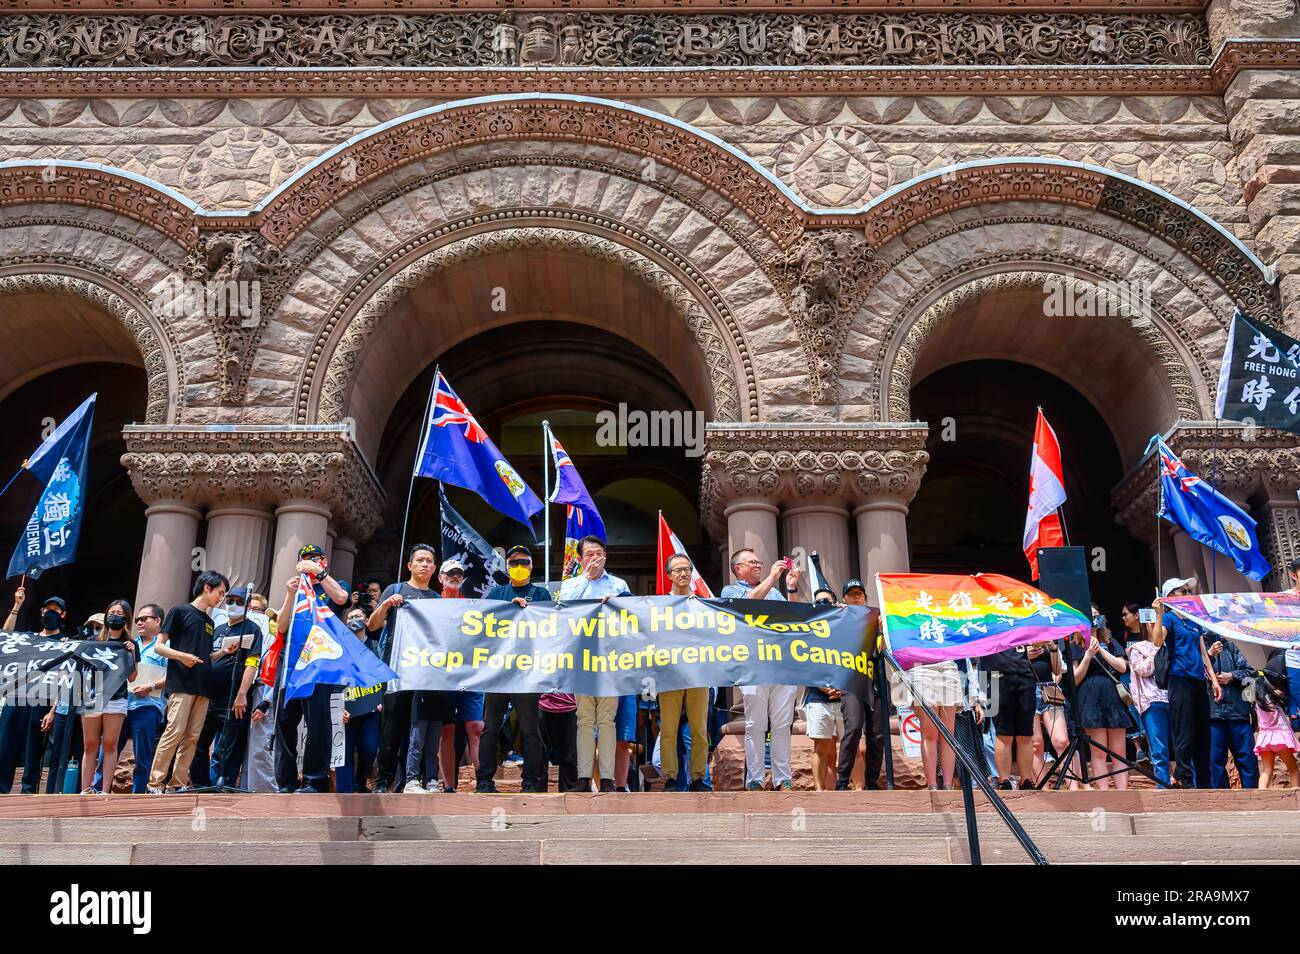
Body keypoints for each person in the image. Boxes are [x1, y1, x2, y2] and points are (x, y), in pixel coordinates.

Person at [720, 547, 801, 791]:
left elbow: (793, 615)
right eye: (752, 562)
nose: (758, 565)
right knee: (755, 724)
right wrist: (772, 577)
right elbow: (747, 604)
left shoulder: (775, 592)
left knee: (782, 724)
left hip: (781, 665)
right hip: (753, 665)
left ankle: (782, 779)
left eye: (759, 561)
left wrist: (792, 588)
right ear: (738, 569)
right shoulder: (731, 590)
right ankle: (754, 779)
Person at [559, 535, 633, 793]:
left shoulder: (618, 584)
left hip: (611, 659)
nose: (594, 558)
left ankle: (608, 779)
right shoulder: (571, 586)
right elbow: (564, 611)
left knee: (607, 721)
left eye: (598, 553)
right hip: (582, 659)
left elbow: (633, 616)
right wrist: (586, 581)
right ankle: (582, 777)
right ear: (580, 559)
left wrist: (618, 602)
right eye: (589, 554)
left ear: (606, 556)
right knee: (584, 720)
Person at [273, 544, 348, 794]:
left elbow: (341, 598)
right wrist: (288, 594)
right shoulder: (297, 591)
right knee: (284, 721)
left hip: (318, 662)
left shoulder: (332, 585)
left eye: (315, 558)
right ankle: (285, 781)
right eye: (305, 559)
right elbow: (281, 627)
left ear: (324, 562)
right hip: (291, 663)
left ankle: (314, 780)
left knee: (317, 721)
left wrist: (321, 575)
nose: (310, 562)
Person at [148, 570, 229, 793]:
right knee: (174, 731)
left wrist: (222, 652)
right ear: (207, 587)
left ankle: (177, 784)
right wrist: (182, 656)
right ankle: (155, 783)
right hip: (182, 683)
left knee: (192, 738)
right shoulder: (180, 611)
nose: (220, 598)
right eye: (220, 592)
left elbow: (204, 657)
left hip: (203, 687)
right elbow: (159, 646)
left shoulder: (210, 622)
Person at [477, 546, 549, 793]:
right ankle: (484, 780)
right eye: (514, 562)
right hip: (499, 670)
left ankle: (530, 781)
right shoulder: (497, 593)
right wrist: (507, 608)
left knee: (530, 729)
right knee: (490, 728)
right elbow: (482, 622)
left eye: (524, 562)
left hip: (528, 673)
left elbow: (550, 626)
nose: (519, 566)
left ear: (531, 566)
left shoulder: (541, 594)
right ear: (507, 567)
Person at [372, 544, 440, 793]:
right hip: (396, 669)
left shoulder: (436, 599)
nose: (424, 564)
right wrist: (387, 605)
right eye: (420, 560)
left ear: (434, 568)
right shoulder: (395, 589)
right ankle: (383, 781)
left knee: (418, 728)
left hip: (424, 673)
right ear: (409, 565)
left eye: (429, 561)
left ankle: (415, 779)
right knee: (391, 726)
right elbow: (372, 625)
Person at [1151, 577, 1221, 788]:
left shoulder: (1193, 619)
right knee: (1185, 732)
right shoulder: (1170, 618)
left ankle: (1205, 783)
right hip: (1179, 680)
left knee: (1203, 733)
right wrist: (1158, 614)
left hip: (1198, 681)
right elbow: (1157, 641)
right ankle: (1187, 780)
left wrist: (1214, 680)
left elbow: (1203, 652)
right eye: (1182, 590)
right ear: (1172, 595)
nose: (1187, 593)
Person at [193, 585, 262, 788]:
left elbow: (252, 663)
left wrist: (242, 694)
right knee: (198, 741)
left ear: (247, 605)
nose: (233, 605)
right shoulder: (218, 628)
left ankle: (226, 784)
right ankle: (201, 784)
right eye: (230, 601)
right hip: (207, 695)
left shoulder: (251, 629)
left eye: (239, 602)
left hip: (232, 697)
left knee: (230, 745)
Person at [657, 553, 711, 792]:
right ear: (668, 575)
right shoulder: (659, 605)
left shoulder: (702, 603)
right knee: (668, 728)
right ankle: (671, 777)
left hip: (698, 673)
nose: (683, 573)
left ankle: (698, 778)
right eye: (678, 570)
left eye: (687, 569)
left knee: (699, 728)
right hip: (669, 674)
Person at [0, 593, 63, 794]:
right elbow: (5, 635)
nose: (50, 612)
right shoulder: (28, 637)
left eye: (55, 610)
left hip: (42, 698)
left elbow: (65, 679)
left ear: (63, 614)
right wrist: (16, 606)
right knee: (4, 744)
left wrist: (53, 710)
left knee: (32, 749)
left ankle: (28, 793)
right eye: (48, 609)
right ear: (41, 612)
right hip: (15, 696)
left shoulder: (65, 643)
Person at [79, 599, 139, 795]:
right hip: (92, 697)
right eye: (112, 612)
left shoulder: (130, 644)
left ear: (127, 618)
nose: (115, 615)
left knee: (110, 744)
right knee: (90, 744)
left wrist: (130, 653)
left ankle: (105, 790)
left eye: (119, 613)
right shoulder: (94, 641)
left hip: (116, 698)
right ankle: (85, 789)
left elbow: (132, 677)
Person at [436, 558, 483, 794]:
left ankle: (483, 781)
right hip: (442, 675)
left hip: (471, 672)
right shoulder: (432, 604)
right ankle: (449, 786)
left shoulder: (473, 605)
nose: (455, 577)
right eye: (450, 573)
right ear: (441, 578)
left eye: (459, 574)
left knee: (475, 726)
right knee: (448, 730)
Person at [1070, 608, 1130, 790]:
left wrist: (1101, 651)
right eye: (1091, 616)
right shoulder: (1075, 645)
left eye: (1097, 615)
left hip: (1112, 697)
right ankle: (1103, 793)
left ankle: (1122, 793)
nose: (1095, 619)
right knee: (1098, 752)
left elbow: (1122, 667)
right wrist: (1088, 655)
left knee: (1119, 751)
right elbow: (1075, 678)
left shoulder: (1110, 642)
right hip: (1089, 698)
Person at [835, 578, 885, 791]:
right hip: (851, 680)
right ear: (844, 597)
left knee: (878, 733)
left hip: (876, 679)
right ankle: (842, 780)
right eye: (851, 593)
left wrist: (882, 629)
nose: (856, 596)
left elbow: (883, 650)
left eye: (860, 593)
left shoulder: (876, 617)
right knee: (853, 727)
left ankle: (872, 782)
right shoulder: (839, 617)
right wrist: (838, 615)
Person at [334, 606, 382, 793]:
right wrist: (337, 707)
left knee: (369, 747)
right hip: (345, 709)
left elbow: (383, 675)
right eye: (351, 617)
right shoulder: (339, 650)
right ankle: (344, 791)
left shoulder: (376, 646)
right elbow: (334, 679)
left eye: (358, 616)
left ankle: (360, 782)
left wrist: (381, 700)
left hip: (370, 708)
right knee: (344, 752)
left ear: (366, 619)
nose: (354, 619)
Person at [1123, 603, 1171, 787]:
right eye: (1151, 623)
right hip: (1152, 701)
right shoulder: (1136, 648)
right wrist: (1157, 651)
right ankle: (1163, 786)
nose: (1154, 627)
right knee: (1159, 747)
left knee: (1180, 744)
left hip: (1171, 697)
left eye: (1157, 623)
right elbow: (1144, 670)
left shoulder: (1168, 644)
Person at [980, 641, 1037, 789]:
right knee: (1003, 732)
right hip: (994, 676)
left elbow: (1037, 640)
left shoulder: (1021, 618)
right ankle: (1003, 780)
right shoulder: (987, 618)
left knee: (1025, 733)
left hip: (1024, 673)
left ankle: (1026, 781)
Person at [123, 604, 168, 793]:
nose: (139, 622)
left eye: (144, 619)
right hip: (122, 706)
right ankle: (101, 791)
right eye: (137, 620)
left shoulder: (166, 647)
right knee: (107, 751)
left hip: (147, 707)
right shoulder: (129, 644)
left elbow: (173, 675)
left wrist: (151, 686)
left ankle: (138, 796)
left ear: (157, 621)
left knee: (142, 757)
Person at [1207, 635, 1258, 789]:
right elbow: (1193, 672)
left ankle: (1252, 799)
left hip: (1239, 713)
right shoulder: (1200, 646)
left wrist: (1232, 676)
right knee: (1215, 762)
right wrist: (1209, 655)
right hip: (1213, 714)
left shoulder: (1233, 645)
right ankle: (1220, 801)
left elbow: (1250, 673)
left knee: (1248, 760)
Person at [1252, 668, 1300, 788]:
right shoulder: (1275, 698)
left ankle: (1261, 795)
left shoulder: (1256, 703)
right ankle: (1297, 796)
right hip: (1280, 737)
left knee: (1266, 770)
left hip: (1265, 739)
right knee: (1293, 768)